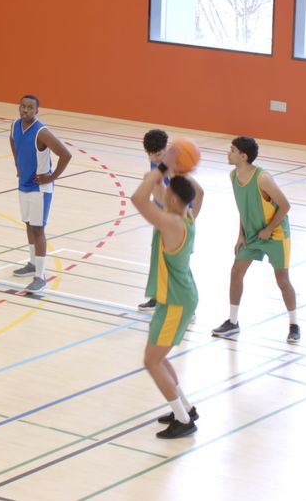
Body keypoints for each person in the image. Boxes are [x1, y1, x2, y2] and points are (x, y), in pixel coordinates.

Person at [211, 137, 300, 344]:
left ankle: (294, 325)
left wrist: (269, 229)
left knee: (283, 281)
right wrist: (240, 235)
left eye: (232, 150)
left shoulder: (263, 178)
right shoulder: (233, 176)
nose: (228, 153)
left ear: (243, 156)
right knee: (236, 272)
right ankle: (233, 322)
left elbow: (285, 206)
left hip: (275, 233)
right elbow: (243, 207)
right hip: (251, 234)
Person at [132, 170, 200, 439]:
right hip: (178, 296)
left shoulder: (172, 223)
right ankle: (185, 408)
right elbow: (160, 194)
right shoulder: (187, 215)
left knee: (151, 361)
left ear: (173, 199)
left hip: (175, 301)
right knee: (159, 358)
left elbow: (139, 199)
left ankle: (184, 421)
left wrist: (159, 171)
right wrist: (168, 171)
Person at [9, 95, 71, 293]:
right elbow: (12, 141)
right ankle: (33, 264)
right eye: (23, 106)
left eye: (30, 108)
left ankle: (41, 276)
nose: (25, 110)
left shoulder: (41, 132)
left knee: (38, 230)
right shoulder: (15, 126)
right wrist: (17, 164)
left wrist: (51, 178)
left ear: (36, 111)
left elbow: (66, 154)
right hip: (24, 185)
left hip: (39, 189)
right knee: (28, 224)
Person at [138, 131, 204, 311]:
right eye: (151, 154)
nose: (155, 158)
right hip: (163, 217)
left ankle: (186, 304)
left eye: (159, 154)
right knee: (156, 258)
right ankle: (156, 297)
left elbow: (200, 193)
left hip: (178, 221)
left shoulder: (177, 168)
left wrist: (192, 219)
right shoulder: (155, 162)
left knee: (180, 266)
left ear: (166, 150)